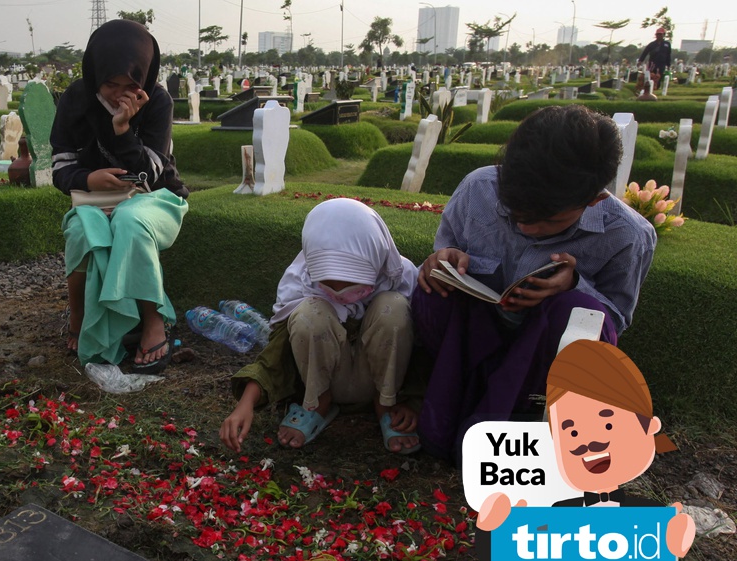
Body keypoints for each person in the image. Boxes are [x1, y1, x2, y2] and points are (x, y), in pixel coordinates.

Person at [412, 104, 657, 465]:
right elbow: (445, 254)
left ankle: (521, 426)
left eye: (547, 220)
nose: (527, 228)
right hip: (471, 334)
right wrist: (442, 260)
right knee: (432, 291)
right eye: (515, 214)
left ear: (593, 199)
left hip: (541, 355)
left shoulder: (627, 235)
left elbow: (614, 321)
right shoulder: (479, 188)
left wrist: (574, 285)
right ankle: (442, 402)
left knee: (583, 314)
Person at [220, 199, 420, 453]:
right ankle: (318, 404)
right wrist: (246, 403)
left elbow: (422, 348)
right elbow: (276, 352)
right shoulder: (300, 283)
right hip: (320, 382)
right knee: (307, 313)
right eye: (329, 288)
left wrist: (416, 402)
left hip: (384, 384)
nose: (341, 297)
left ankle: (385, 404)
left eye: (356, 287)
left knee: (394, 307)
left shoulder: (401, 278)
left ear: (377, 259)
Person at [50, 19, 189, 373]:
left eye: (130, 85)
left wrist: (123, 129)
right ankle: (79, 317)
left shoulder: (157, 100)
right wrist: (88, 178)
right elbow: (60, 166)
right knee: (83, 231)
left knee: (130, 220)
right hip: (94, 199)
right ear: (95, 72)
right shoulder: (75, 99)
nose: (118, 95)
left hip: (155, 199)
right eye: (111, 83)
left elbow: (150, 174)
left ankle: (153, 318)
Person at [475, 340, 695, 560]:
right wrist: (502, 529)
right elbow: (525, 544)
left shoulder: (644, 515)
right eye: (572, 433)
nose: (588, 443)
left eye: (607, 425)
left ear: (649, 426)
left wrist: (671, 537)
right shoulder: (561, 511)